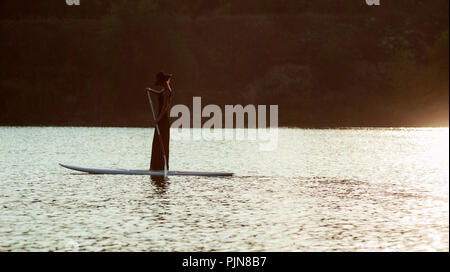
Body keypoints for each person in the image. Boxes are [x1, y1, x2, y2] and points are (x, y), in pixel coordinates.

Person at [145, 72, 172, 171]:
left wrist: (158, 119)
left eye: (160, 83)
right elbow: (159, 94)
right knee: (157, 143)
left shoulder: (166, 91)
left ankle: (161, 167)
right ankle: (156, 167)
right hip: (161, 120)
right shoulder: (164, 90)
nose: (159, 84)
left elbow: (165, 107)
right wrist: (151, 90)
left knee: (161, 144)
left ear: (163, 82)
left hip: (163, 121)